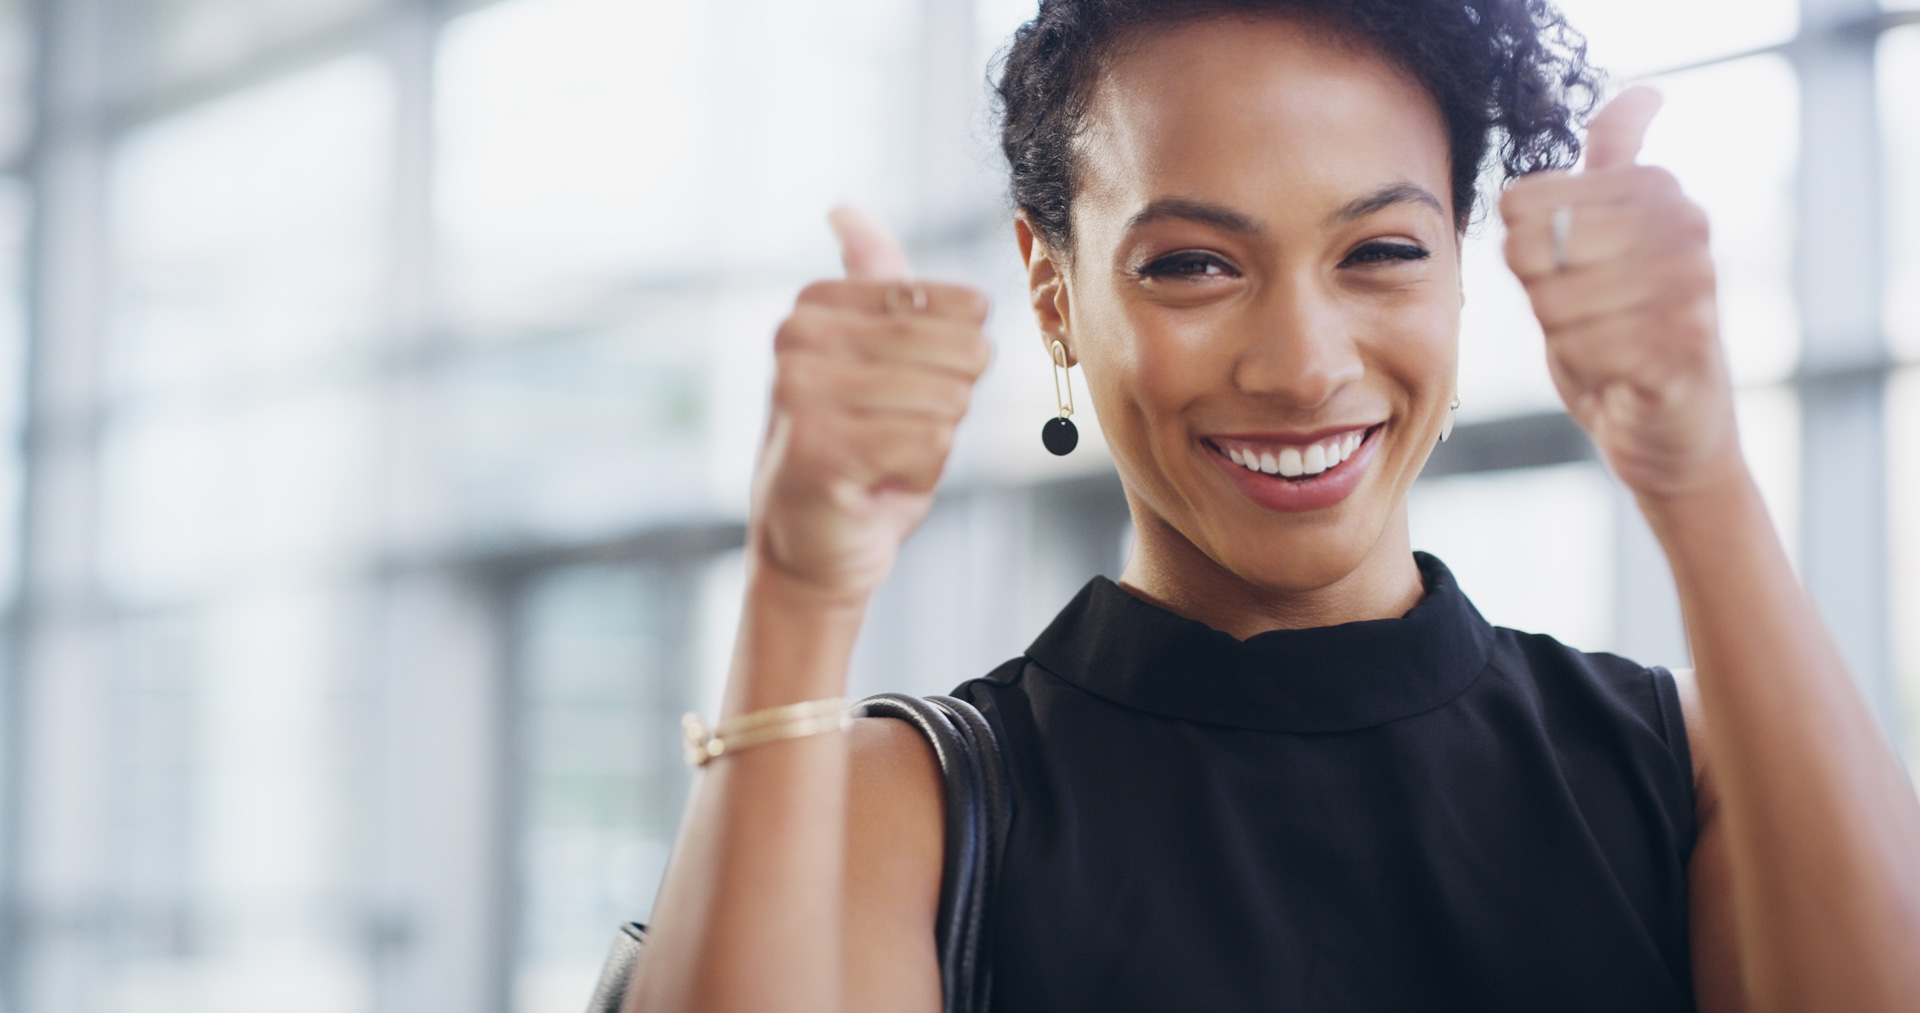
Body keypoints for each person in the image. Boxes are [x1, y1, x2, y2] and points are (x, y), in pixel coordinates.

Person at [628, 1, 1920, 1010]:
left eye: (1381, 252)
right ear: (1054, 287)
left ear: (1464, 267)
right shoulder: (909, 802)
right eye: (1194, 264)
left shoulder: (1683, 759)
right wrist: (801, 592)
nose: (1302, 366)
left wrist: (1695, 474)